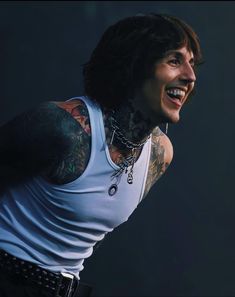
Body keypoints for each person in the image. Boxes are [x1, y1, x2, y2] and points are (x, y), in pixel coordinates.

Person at [0, 13, 202, 297]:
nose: (190, 76)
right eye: (174, 60)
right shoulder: (64, 128)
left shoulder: (161, 154)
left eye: (192, 64)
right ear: (134, 66)